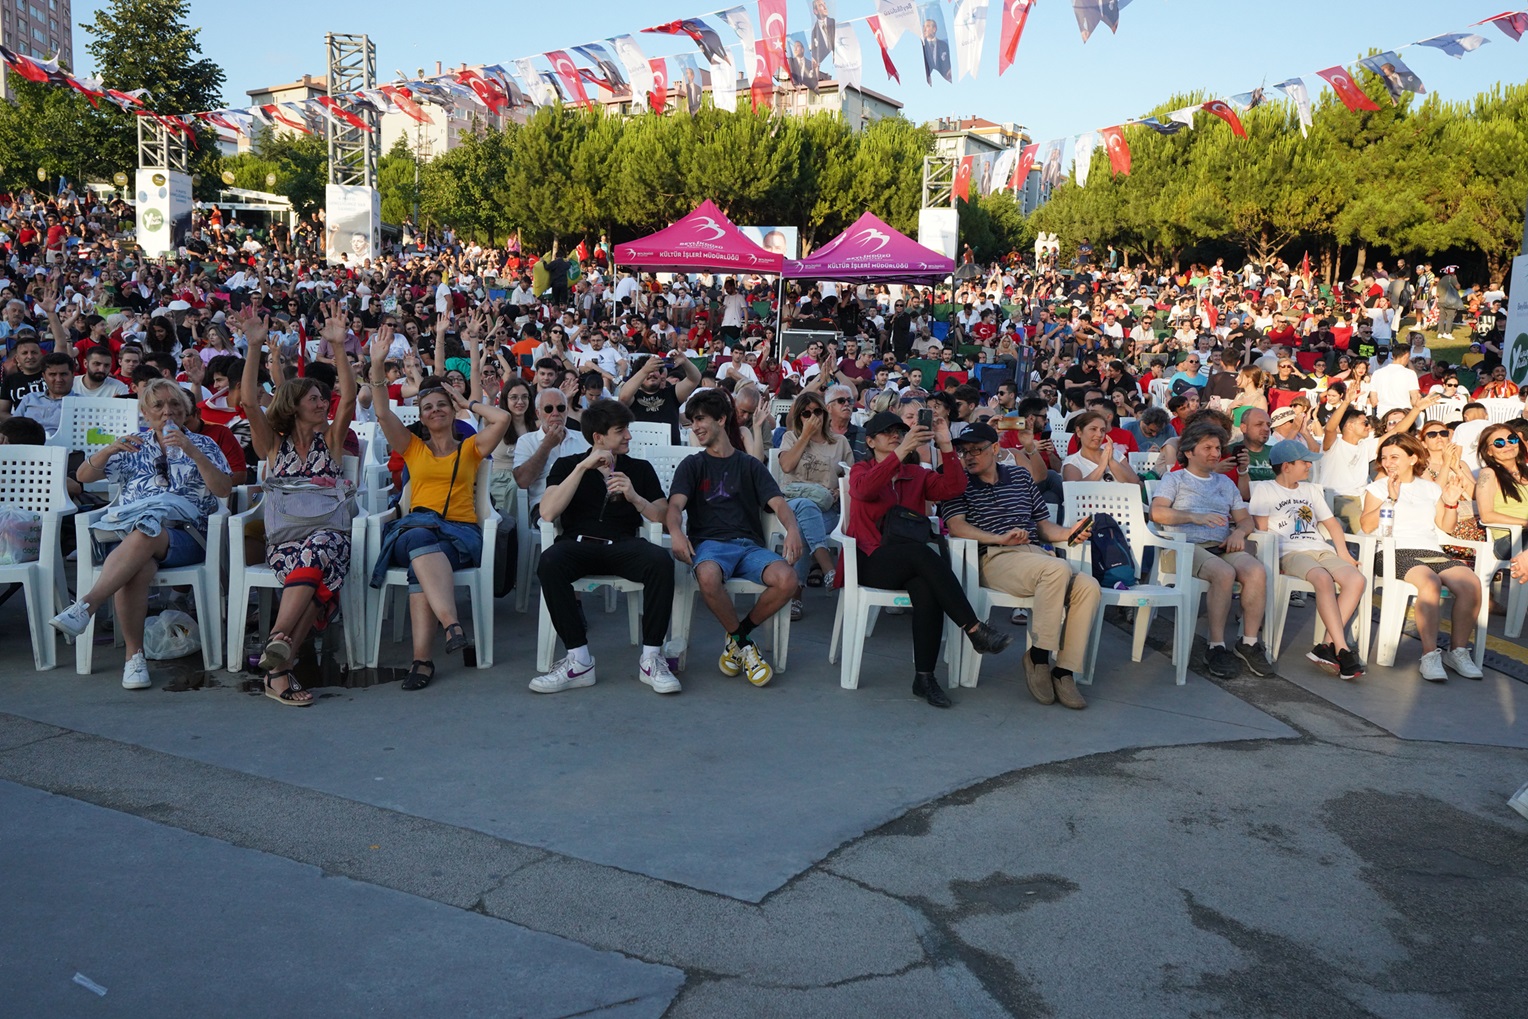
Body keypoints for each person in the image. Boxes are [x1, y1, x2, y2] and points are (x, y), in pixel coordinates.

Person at [49, 380, 233, 690]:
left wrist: (192, 452)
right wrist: (109, 449)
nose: (167, 411)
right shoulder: (136, 445)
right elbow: (81, 477)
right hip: (132, 541)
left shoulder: (202, 444)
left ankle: (86, 606)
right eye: (158, 406)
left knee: (147, 532)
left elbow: (224, 489)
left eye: (174, 404)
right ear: (145, 413)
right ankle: (135, 659)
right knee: (138, 567)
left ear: (186, 410)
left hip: (188, 537)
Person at [368, 328, 514, 691]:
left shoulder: (471, 449)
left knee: (423, 561)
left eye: (441, 405)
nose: (434, 411)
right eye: (427, 407)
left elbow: (502, 420)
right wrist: (375, 365)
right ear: (420, 415)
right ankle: (451, 624)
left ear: (451, 412)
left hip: (459, 535)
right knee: (418, 537)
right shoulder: (413, 447)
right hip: (416, 527)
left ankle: (423, 661)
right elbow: (383, 412)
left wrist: (467, 403)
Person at [846, 410, 1011, 708]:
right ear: (870, 441)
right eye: (887, 432)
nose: (895, 435)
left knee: (926, 587)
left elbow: (954, 488)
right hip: (869, 561)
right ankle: (974, 628)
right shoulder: (862, 470)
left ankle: (925, 678)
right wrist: (903, 450)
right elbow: (864, 490)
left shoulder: (917, 474)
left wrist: (946, 445)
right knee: (922, 552)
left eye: (899, 430)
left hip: (911, 563)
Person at [237, 306, 357, 706]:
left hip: (330, 535)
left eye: (323, 397)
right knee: (315, 579)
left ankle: (277, 640)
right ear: (293, 403)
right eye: (312, 398)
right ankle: (279, 667)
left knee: (322, 544)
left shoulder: (333, 441)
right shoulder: (273, 446)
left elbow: (350, 395)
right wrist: (255, 347)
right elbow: (251, 404)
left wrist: (338, 345)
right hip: (286, 540)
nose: (322, 403)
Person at [942, 423, 1099, 709]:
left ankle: (1064, 671)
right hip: (994, 557)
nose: (969, 456)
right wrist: (998, 537)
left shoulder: (1019, 476)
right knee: (1057, 569)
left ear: (995, 449)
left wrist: (1070, 533)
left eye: (976, 450)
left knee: (1089, 586)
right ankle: (1038, 656)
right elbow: (956, 526)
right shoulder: (957, 482)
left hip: (1035, 554)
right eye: (964, 451)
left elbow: (1043, 526)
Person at [532, 399, 677, 695]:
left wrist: (635, 497)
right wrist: (582, 468)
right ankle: (579, 660)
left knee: (660, 561)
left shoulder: (640, 468)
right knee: (550, 561)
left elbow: (662, 518)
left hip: (622, 546)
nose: (629, 436)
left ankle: (651, 658)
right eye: (621, 430)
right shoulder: (566, 465)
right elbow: (547, 512)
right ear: (598, 437)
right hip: (577, 545)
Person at [1150, 418, 1270, 679]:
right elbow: (1157, 513)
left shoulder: (1224, 483)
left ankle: (1248, 643)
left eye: (1218, 448)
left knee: (1257, 571)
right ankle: (1215, 646)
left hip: (1222, 544)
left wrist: (1239, 531)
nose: (1215, 453)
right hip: (1184, 547)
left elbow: (1245, 519)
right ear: (1190, 451)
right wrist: (1193, 517)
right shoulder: (1175, 479)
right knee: (1223, 573)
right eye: (1208, 448)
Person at [1360, 432, 1483, 682]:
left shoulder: (1429, 488)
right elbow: (1365, 525)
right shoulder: (1378, 487)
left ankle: (1457, 651)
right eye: (1384, 457)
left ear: (1413, 457)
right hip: (1392, 551)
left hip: (1430, 551)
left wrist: (1450, 504)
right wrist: (1391, 499)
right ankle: (1429, 655)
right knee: (1430, 582)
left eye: (1395, 456)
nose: (1389, 462)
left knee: (1471, 582)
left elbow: (1446, 527)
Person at [1249, 441, 1366, 680]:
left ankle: (1326, 646)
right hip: (1289, 552)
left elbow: (1331, 524)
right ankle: (1342, 649)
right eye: (1304, 462)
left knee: (1356, 580)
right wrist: (1269, 561)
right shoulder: (1265, 489)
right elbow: (1260, 531)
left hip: (1319, 549)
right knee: (1322, 578)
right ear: (1286, 466)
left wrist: (1343, 553)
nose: (1309, 467)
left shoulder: (1311, 490)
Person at [777, 390, 848, 619]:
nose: (813, 417)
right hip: (793, 504)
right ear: (799, 417)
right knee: (805, 510)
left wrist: (838, 491)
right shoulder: (790, 438)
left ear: (825, 413)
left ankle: (795, 597)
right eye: (806, 414)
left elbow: (851, 480)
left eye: (817, 411)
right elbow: (786, 466)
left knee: (803, 525)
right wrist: (805, 436)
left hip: (827, 510)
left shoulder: (839, 442)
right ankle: (828, 568)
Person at [513, 387, 592, 517]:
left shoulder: (583, 439)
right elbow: (523, 481)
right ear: (538, 413)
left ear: (566, 411)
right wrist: (547, 446)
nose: (555, 413)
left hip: (583, 502)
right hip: (545, 506)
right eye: (548, 409)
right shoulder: (526, 441)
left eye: (560, 408)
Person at [619, 351, 701, 445]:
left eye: (655, 370)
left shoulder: (672, 393)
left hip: (669, 453)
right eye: (648, 371)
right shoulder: (632, 395)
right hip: (639, 451)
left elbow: (694, 379)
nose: (652, 374)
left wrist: (685, 361)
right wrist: (645, 370)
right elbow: (623, 398)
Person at [1472, 424, 1528, 560]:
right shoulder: (1488, 474)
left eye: (1512, 439)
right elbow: (1486, 515)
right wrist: (1525, 522)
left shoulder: (1526, 470)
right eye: (1499, 443)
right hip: (1509, 539)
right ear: (1489, 451)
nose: (1508, 445)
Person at [1062, 410, 1140, 484]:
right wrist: (1101, 467)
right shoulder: (1073, 462)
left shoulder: (1115, 454)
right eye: (1093, 429)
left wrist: (1111, 461)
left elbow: (1135, 483)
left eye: (1102, 430)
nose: (1099, 435)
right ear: (1079, 432)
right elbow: (1075, 492)